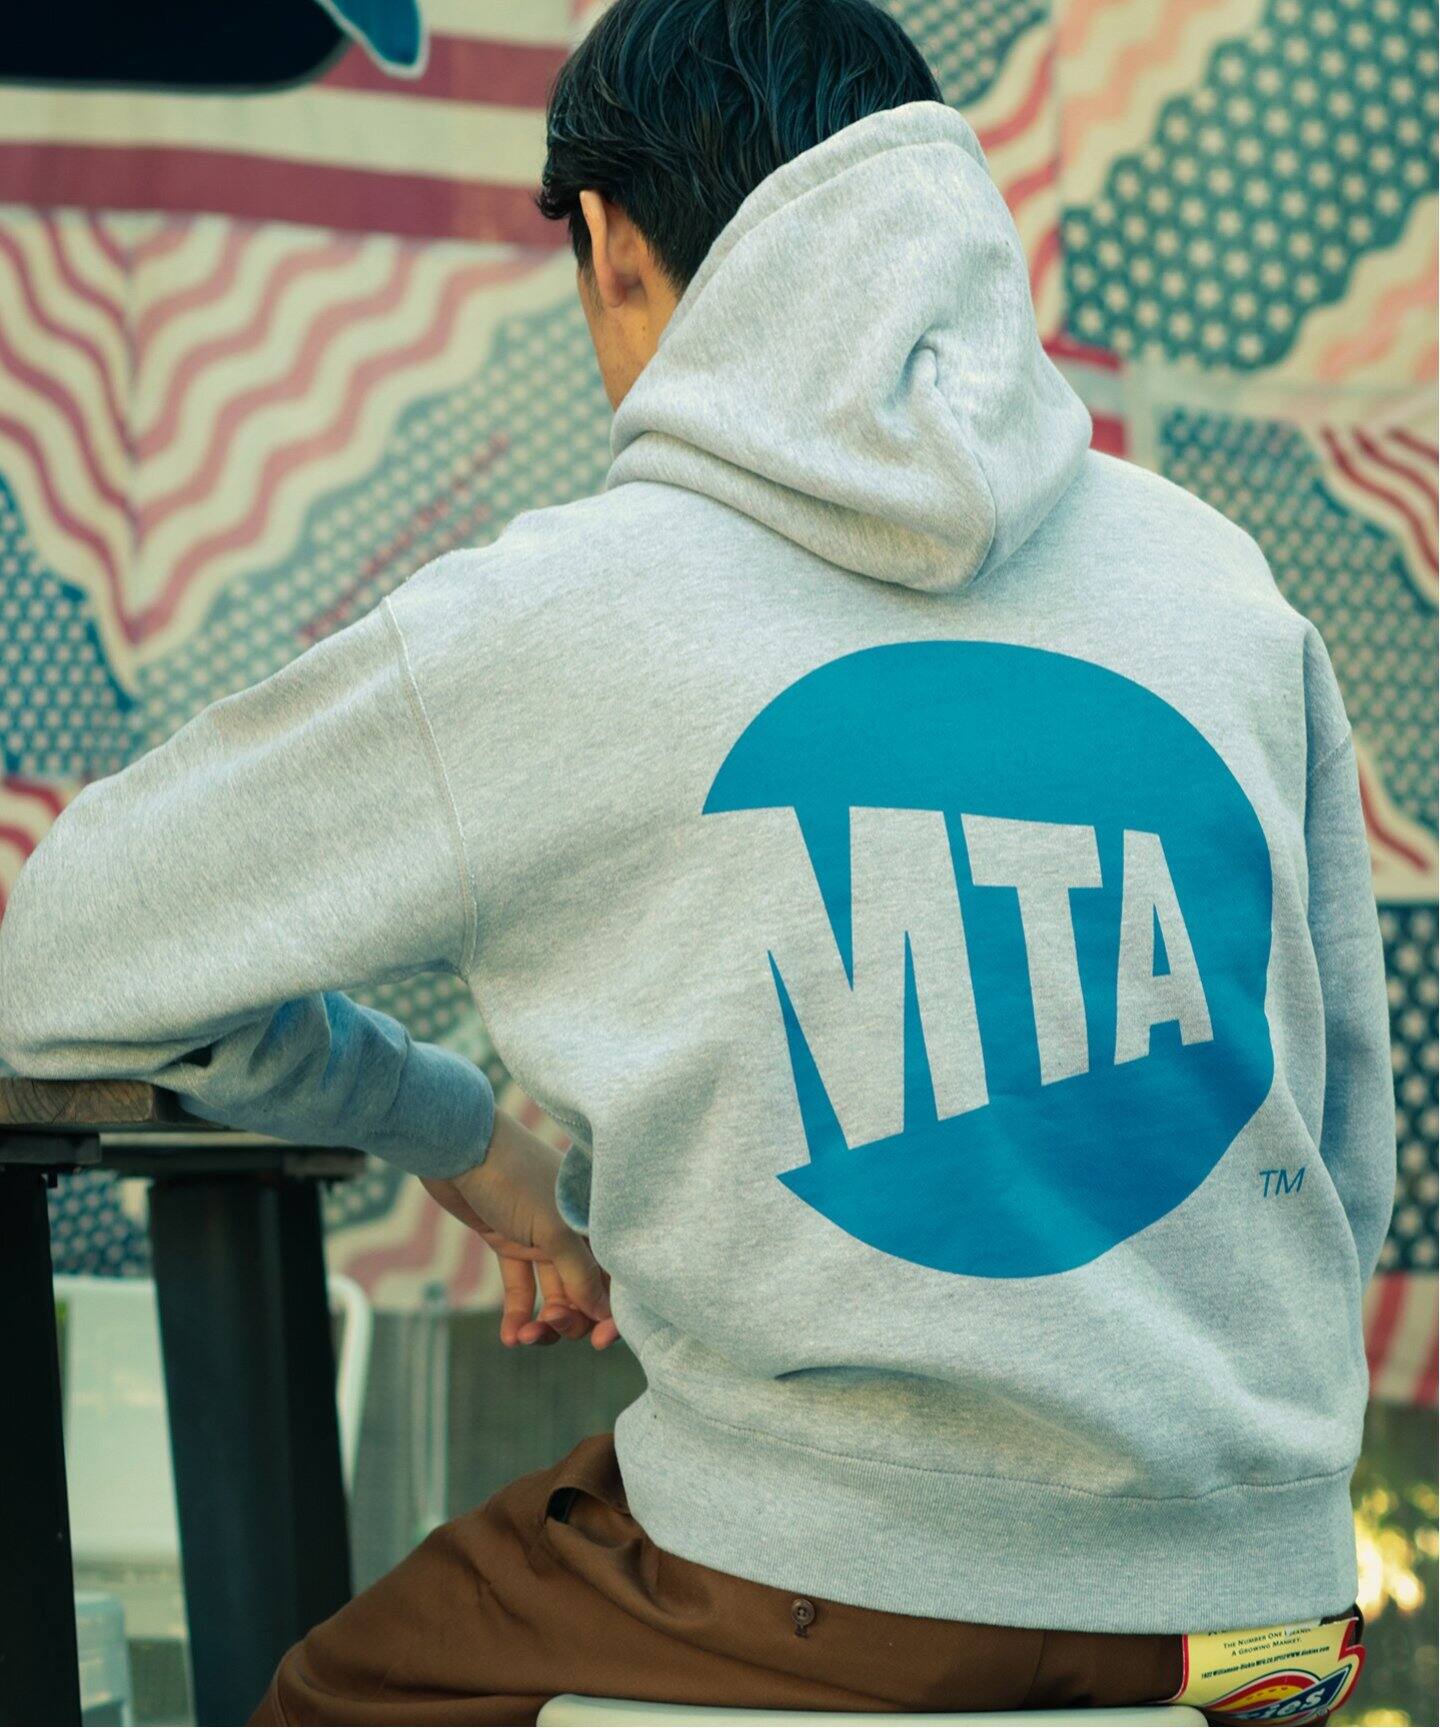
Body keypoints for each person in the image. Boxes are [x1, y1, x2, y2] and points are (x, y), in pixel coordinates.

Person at [0, 1, 1393, 1722]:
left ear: (609, 243)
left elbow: (64, 958)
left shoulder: (559, 611)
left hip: (838, 1586)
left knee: (324, 1692)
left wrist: (454, 1130)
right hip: (1273, 1620)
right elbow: (1342, 1129)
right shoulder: (1225, 582)